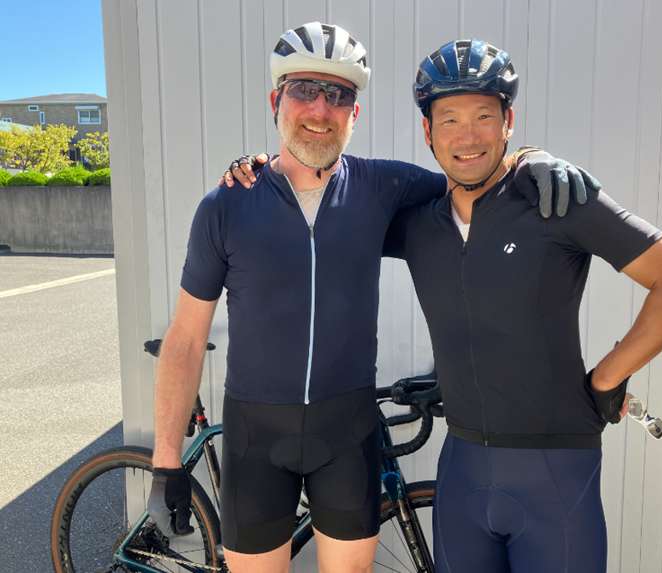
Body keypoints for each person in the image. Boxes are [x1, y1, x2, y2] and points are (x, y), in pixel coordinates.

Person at [147, 23, 596, 573]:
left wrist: (527, 157)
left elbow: (474, 175)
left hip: (347, 434)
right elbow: (186, 337)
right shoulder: (226, 205)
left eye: (338, 95)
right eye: (304, 89)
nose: (320, 108)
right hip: (254, 439)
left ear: (354, 113)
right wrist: (166, 463)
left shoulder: (383, 187)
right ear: (275, 101)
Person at [375, 39, 662, 572]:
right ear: (428, 131)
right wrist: (255, 168)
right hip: (462, 466)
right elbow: (327, 201)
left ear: (508, 121)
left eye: (484, 116)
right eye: (449, 120)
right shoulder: (418, 223)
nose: (468, 136)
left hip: (556, 473)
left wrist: (607, 377)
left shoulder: (557, 200)